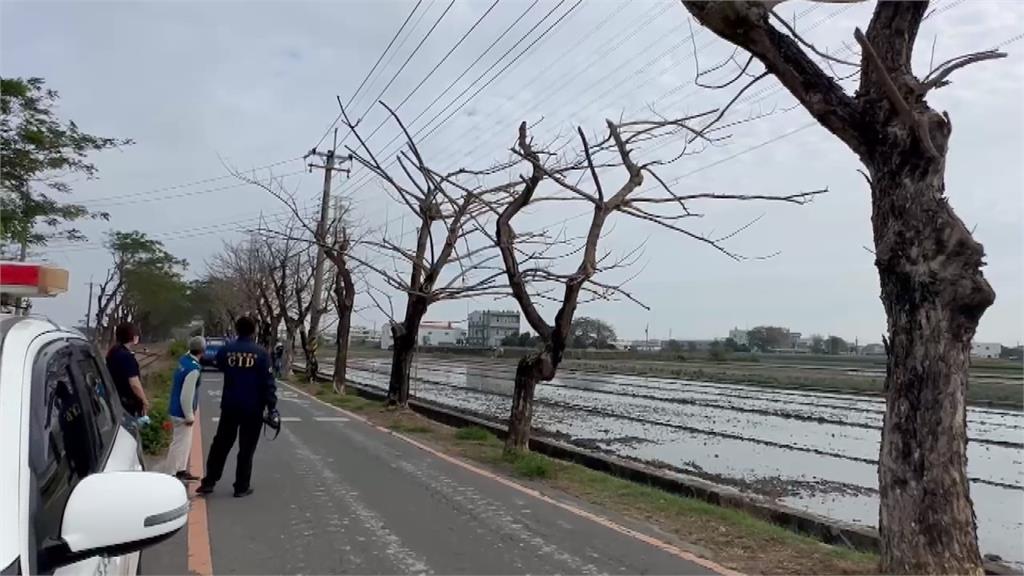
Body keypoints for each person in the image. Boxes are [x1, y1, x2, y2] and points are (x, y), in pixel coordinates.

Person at [197, 316, 278, 498]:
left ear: (236, 329)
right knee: (246, 448)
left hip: (230, 406)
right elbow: (268, 383)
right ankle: (241, 486)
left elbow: (219, 364)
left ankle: (209, 481)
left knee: (221, 445)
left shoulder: (227, 350)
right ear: (254, 330)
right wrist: (271, 406)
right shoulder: (262, 353)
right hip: (253, 409)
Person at [165, 336, 205, 481]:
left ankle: (181, 470)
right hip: (181, 411)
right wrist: (189, 415)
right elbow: (186, 395)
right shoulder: (194, 369)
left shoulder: (184, 360)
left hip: (175, 408)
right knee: (179, 443)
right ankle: (171, 473)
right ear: (202, 351)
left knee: (184, 442)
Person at [106, 322, 149, 418]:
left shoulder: (113, 352)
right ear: (133, 337)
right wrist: (144, 401)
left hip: (115, 398)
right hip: (127, 402)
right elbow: (134, 384)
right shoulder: (127, 356)